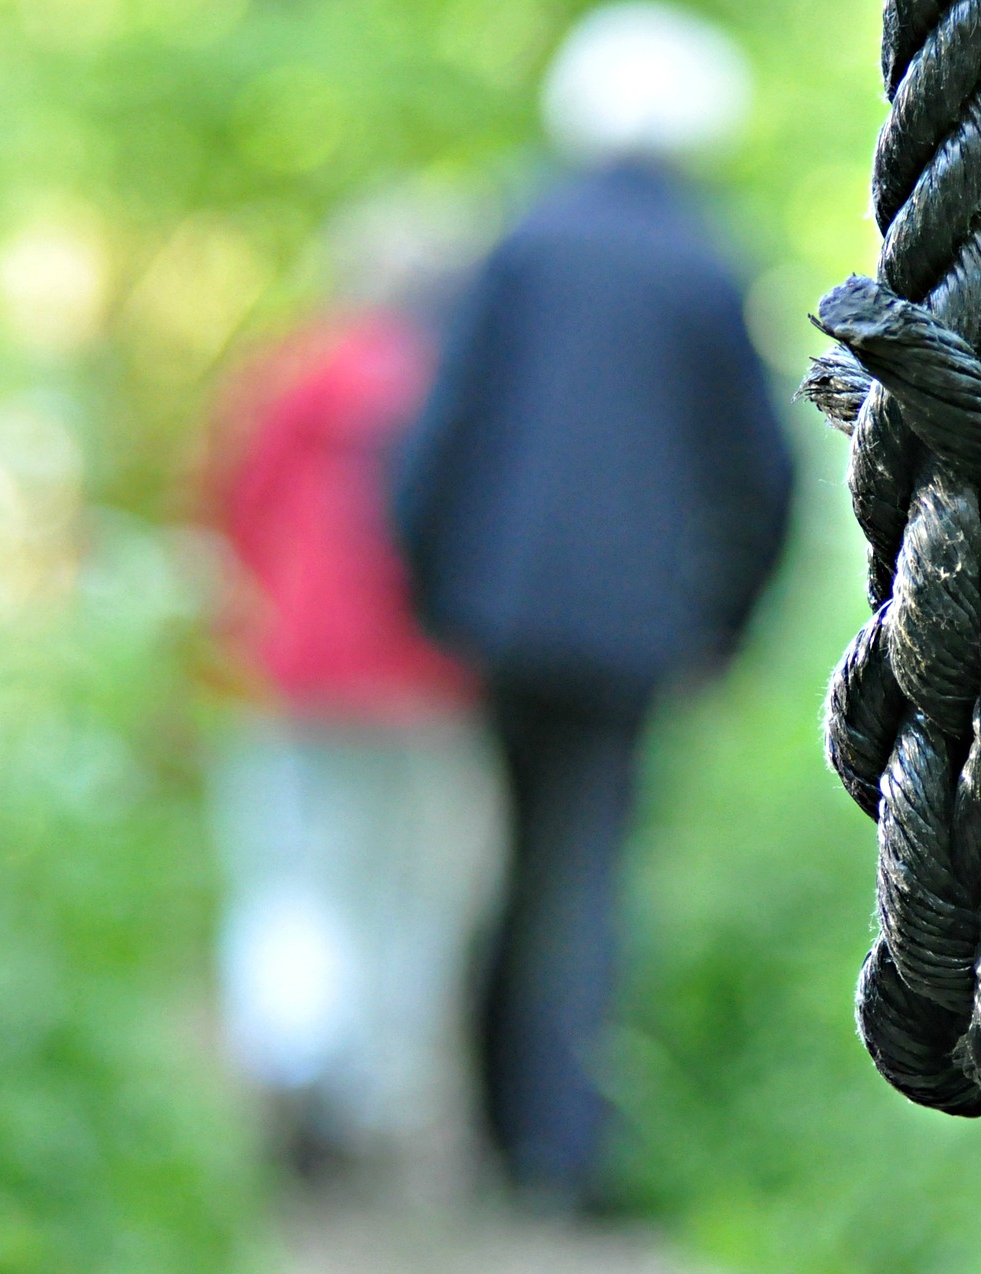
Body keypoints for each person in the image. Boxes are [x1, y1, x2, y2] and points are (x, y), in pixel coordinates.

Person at [391, 3, 794, 1210]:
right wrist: (731, 623)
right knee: (589, 866)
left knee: (516, 855)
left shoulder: (521, 241)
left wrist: (434, 591)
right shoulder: (710, 263)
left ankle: (495, 1134)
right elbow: (763, 474)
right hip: (635, 629)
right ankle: (566, 1154)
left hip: (505, 620)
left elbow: (438, 438)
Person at [203, 189, 507, 1206]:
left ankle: (292, 1060)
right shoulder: (461, 389)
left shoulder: (293, 374)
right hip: (427, 680)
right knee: (410, 892)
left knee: (294, 873)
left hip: (296, 673)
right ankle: (375, 1099)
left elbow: (232, 506)